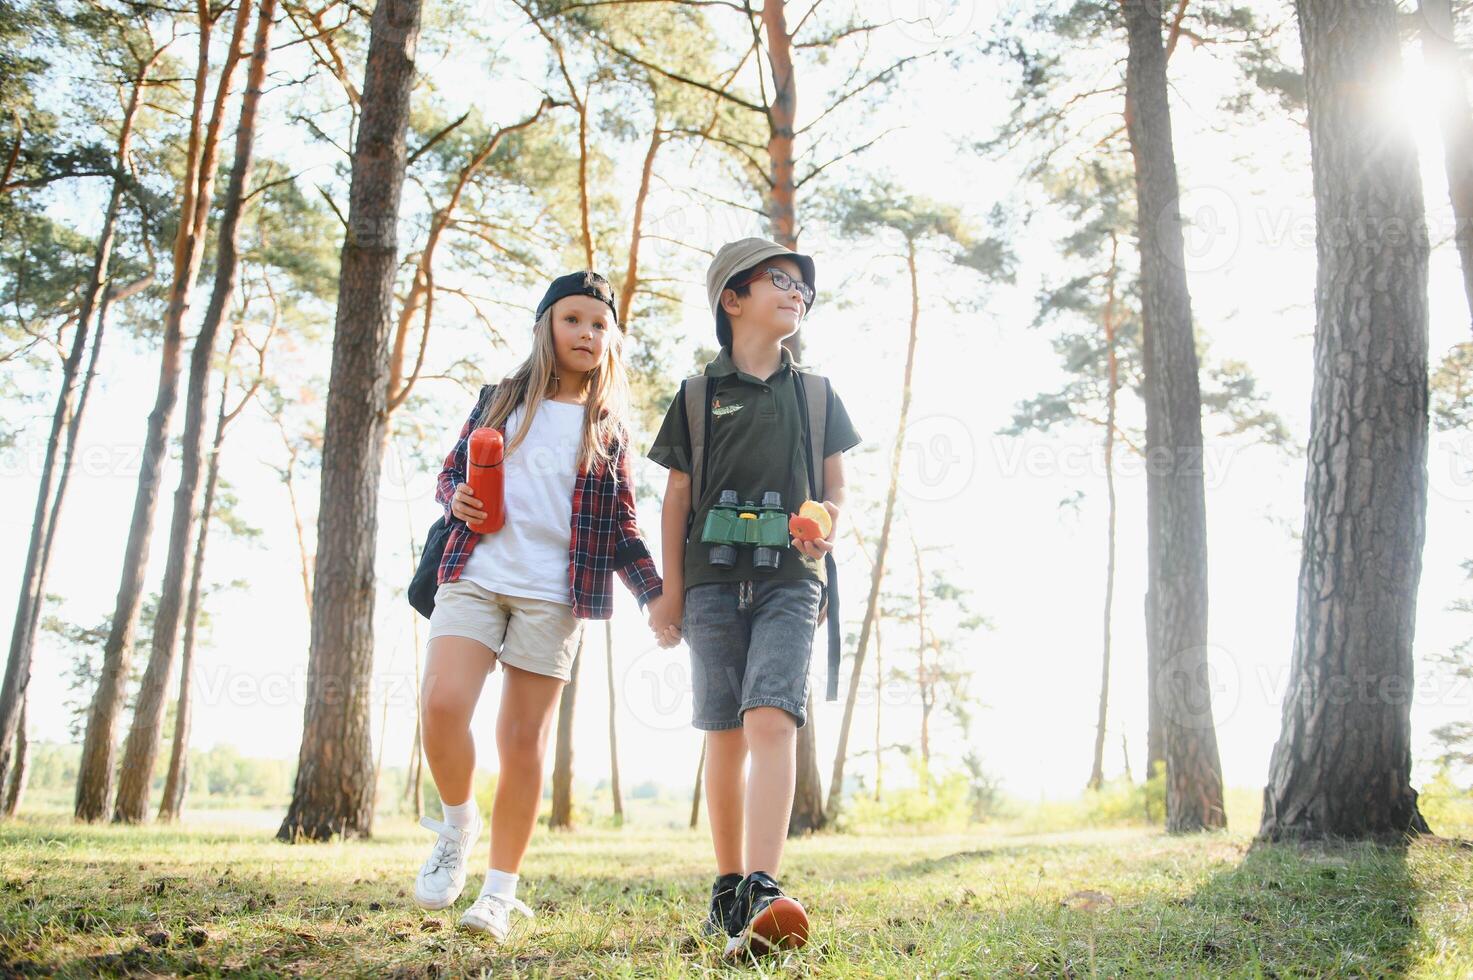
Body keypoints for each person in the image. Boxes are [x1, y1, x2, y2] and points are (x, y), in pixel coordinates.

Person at [414, 271, 679, 940]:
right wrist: (456, 499)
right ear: (546, 327)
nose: (587, 333)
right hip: (474, 571)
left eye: (598, 323)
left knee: (521, 741)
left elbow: (621, 526)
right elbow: (450, 472)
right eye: (573, 320)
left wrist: (656, 597)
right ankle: (456, 824)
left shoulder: (606, 428)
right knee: (442, 706)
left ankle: (498, 894)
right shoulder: (499, 399)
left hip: (555, 595)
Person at [646, 239, 862, 958]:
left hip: (790, 582)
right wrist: (668, 593)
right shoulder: (698, 394)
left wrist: (825, 525)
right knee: (723, 730)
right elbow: (676, 495)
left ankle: (765, 885)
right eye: (780, 279)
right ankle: (728, 886)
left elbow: (836, 489)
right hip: (708, 582)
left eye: (804, 285)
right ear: (731, 299)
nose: (796, 291)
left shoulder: (817, 393)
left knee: (773, 718)